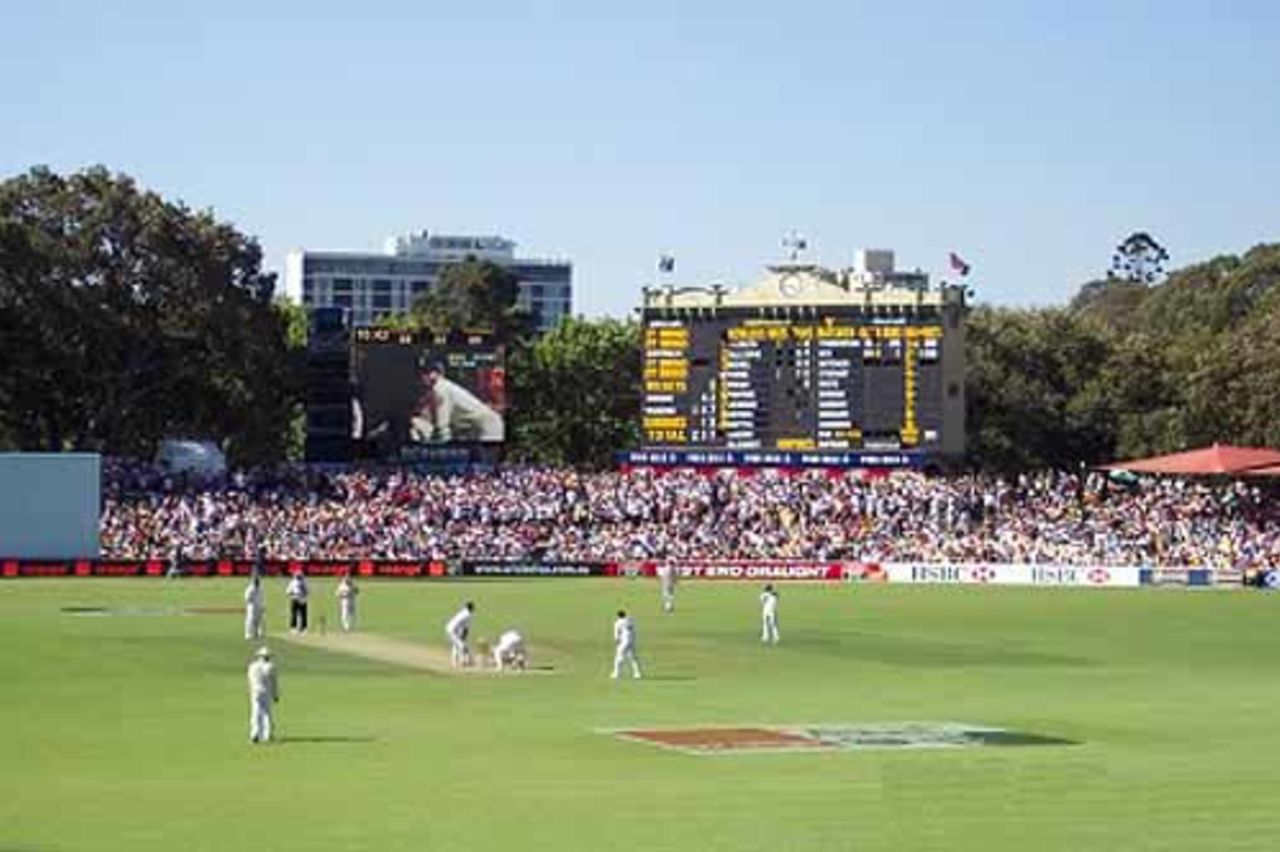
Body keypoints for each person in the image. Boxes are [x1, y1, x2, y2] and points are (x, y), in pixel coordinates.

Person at [410, 359, 504, 443]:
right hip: (478, 429)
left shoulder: (440, 388)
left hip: (489, 427)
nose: (424, 377)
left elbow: (442, 428)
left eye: (428, 372)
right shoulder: (436, 390)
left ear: (437, 373)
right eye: (421, 373)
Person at [247, 646, 279, 744]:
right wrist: (275, 695)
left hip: (256, 692)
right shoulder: (271, 667)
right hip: (266, 692)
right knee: (267, 714)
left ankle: (255, 734)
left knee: (256, 713)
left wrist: (250, 690)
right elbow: (274, 682)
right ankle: (267, 735)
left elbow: (250, 680)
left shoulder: (252, 666)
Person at [611, 609, 643, 679]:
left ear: (618, 616)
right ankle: (637, 673)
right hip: (632, 641)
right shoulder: (630, 620)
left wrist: (617, 641)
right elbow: (634, 630)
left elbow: (616, 634)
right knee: (633, 658)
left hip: (624, 642)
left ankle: (616, 673)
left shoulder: (618, 622)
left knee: (619, 657)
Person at [445, 601, 475, 667]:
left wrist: (462, 636)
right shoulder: (468, 615)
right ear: (471, 609)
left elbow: (463, 627)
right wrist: (463, 637)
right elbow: (466, 629)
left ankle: (455, 663)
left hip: (452, 628)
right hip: (452, 630)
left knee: (456, 645)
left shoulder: (463, 612)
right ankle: (464, 661)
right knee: (461, 645)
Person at [285, 569, 309, 634]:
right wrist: (292, 593)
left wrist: (304, 592)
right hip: (295, 599)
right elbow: (287, 591)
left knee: (303, 614)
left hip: (302, 599)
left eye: (300, 576)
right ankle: (293, 628)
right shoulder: (292, 582)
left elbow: (308, 591)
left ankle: (303, 628)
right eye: (298, 576)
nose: (299, 577)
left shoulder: (305, 582)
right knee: (294, 614)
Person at [244, 575, 265, 640]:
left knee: (259, 620)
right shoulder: (250, 589)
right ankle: (248, 634)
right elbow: (247, 598)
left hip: (259, 605)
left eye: (258, 581)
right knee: (250, 619)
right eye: (256, 581)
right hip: (252, 606)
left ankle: (258, 633)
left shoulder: (261, 588)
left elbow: (262, 597)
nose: (257, 582)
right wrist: (252, 601)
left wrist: (262, 605)